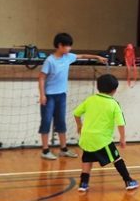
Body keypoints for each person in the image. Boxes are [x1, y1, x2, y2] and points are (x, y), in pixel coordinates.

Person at [38, 32, 107, 160]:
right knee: (46, 121)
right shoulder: (50, 61)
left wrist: (97, 57)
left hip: (61, 95)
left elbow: (83, 55)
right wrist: (42, 95)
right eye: (67, 46)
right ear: (60, 45)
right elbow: (41, 78)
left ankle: (63, 149)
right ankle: (45, 150)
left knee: (61, 121)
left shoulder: (68, 57)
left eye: (70, 46)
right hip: (49, 96)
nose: (69, 48)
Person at [73, 73, 138, 192]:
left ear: (98, 87)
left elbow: (76, 113)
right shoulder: (114, 104)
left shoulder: (90, 99)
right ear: (114, 90)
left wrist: (79, 126)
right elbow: (121, 123)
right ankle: (128, 180)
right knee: (116, 158)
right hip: (102, 139)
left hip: (86, 137)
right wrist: (122, 138)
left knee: (87, 160)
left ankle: (83, 183)